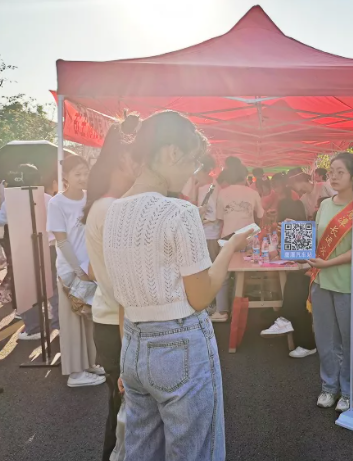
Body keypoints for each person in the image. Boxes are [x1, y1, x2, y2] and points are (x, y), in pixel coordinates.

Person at [102, 111, 251, 461]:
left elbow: (123, 297)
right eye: (193, 161)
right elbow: (200, 296)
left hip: (133, 344)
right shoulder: (178, 212)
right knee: (195, 451)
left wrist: (126, 358)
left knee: (141, 449)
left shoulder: (112, 212)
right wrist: (230, 247)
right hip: (180, 343)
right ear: (172, 152)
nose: (192, 173)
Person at [83, 114, 140, 461]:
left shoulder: (107, 205)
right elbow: (125, 283)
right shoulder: (112, 208)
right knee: (125, 414)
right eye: (140, 155)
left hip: (112, 319)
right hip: (118, 324)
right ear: (123, 158)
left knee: (123, 411)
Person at [48, 155, 106, 388]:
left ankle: (88, 363)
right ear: (66, 177)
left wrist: (91, 267)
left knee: (88, 318)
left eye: (85, 173)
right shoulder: (57, 203)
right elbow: (61, 241)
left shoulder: (89, 198)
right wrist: (77, 270)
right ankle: (75, 372)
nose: (83, 178)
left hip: (90, 269)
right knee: (72, 321)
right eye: (77, 174)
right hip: (70, 271)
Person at [307, 152, 353, 412]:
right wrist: (296, 233)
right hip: (321, 281)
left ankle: (347, 391)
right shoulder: (325, 204)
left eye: (340, 172)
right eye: (331, 172)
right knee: (324, 339)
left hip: (346, 282)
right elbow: (317, 239)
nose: (334, 177)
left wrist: (328, 263)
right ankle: (328, 387)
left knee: (347, 340)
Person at [0, 164, 59, 339]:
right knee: (53, 288)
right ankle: (59, 325)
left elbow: (1, 220)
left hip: (24, 250)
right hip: (49, 247)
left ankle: (34, 328)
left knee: (26, 289)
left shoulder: (10, 200)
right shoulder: (48, 198)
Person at [260, 182, 317, 358]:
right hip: (311, 271)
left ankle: (301, 336)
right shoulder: (302, 226)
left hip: (318, 273)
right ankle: (286, 322)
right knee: (294, 282)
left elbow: (301, 258)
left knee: (296, 285)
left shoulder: (302, 228)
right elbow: (296, 257)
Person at [214, 160, 264, 323]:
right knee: (243, 273)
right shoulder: (253, 193)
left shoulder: (222, 193)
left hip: (228, 237)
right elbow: (261, 215)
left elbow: (219, 217)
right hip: (248, 237)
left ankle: (222, 310)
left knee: (224, 274)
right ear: (244, 177)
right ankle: (240, 307)